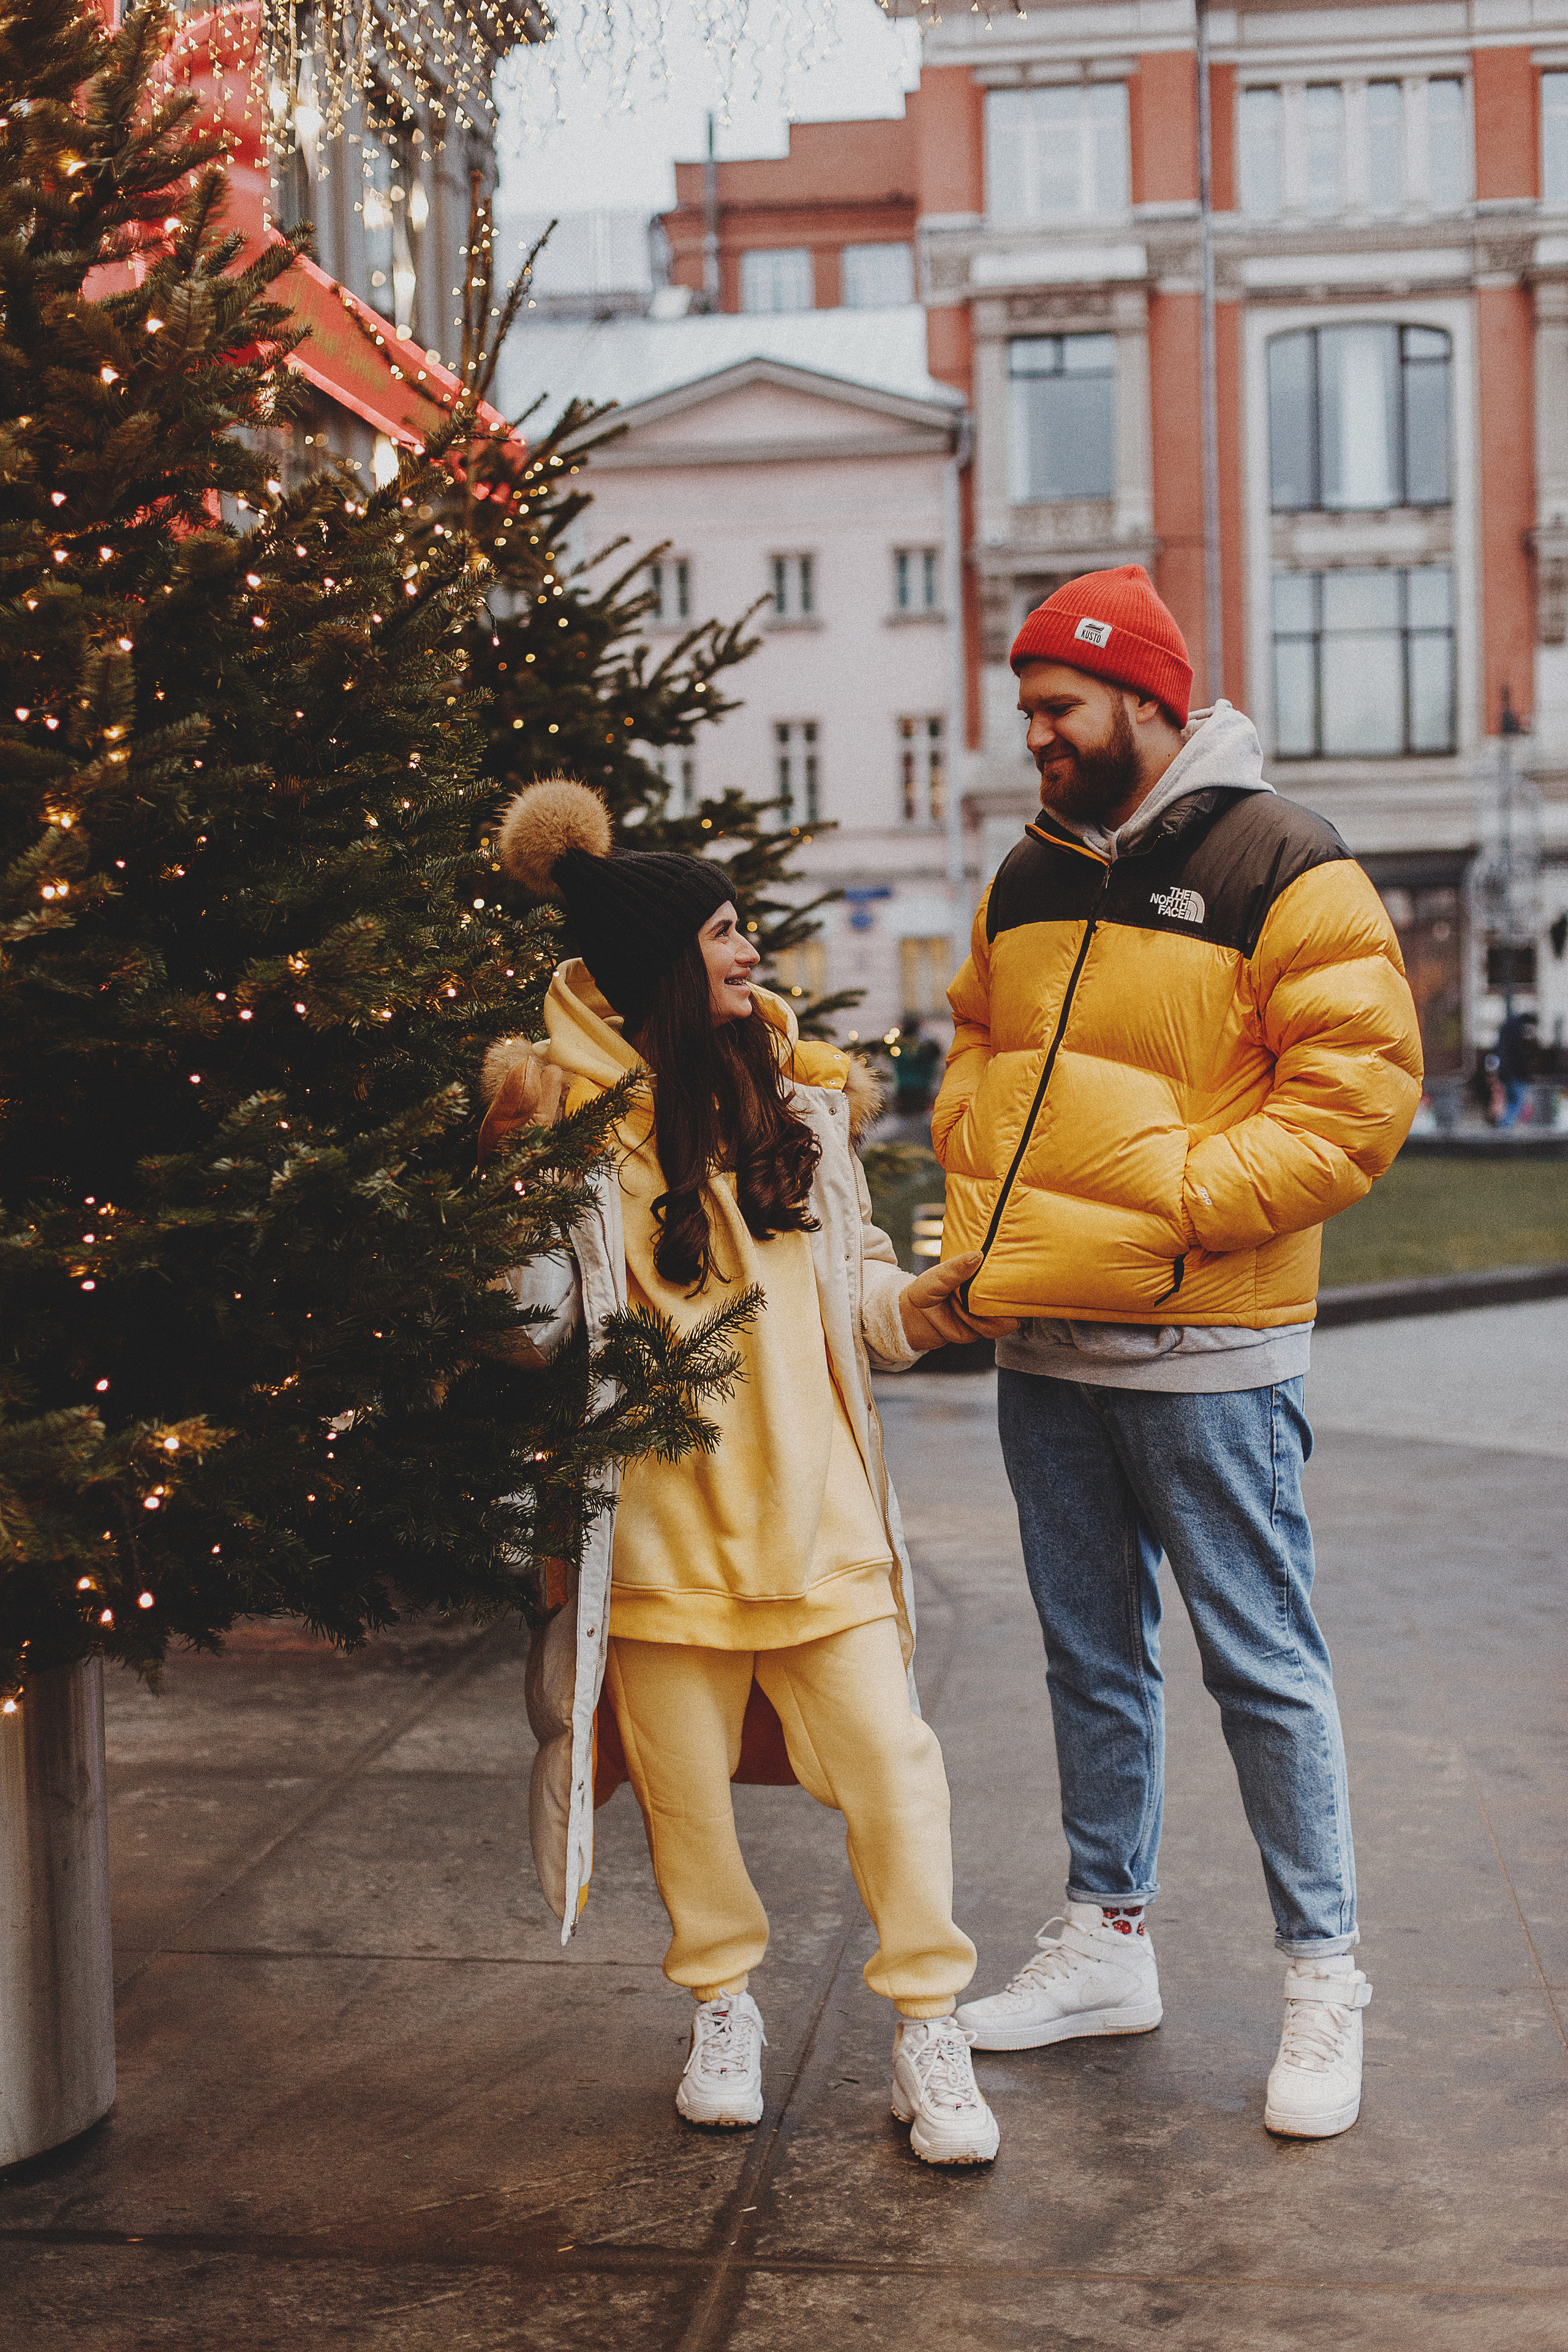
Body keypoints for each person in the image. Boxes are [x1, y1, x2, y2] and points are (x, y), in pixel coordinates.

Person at [932, 565, 1422, 2140]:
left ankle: (1322, 1974)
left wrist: (1180, 1211)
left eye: (1058, 707)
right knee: (1089, 1656)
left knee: (1260, 1667)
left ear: (1147, 699)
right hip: (1047, 1347)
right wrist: (983, 1153)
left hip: (1210, 1345)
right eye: (1025, 711)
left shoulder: (1282, 859)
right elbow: (973, 1044)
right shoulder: (1023, 869)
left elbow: (1355, 1092)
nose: (1035, 736)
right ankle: (1105, 1942)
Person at [479, 777, 1014, 2165]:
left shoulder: (806, 1117)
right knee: (683, 1796)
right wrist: (495, 1191)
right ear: (666, 959)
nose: (748, 948)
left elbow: (861, 1300)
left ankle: (927, 2024)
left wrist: (927, 1309)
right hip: (659, 1550)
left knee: (896, 1769)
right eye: (723, 929)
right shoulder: (574, 1143)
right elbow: (530, 1330)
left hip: (818, 1527)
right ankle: (723, 2004)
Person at [1494, 1008, 1538, 1129]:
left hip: (1507, 1073)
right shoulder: (1516, 1032)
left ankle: (1504, 1126)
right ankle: (1504, 1126)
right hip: (1516, 1074)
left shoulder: (1507, 1030)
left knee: (1513, 1101)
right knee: (1516, 1102)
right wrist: (1525, 1074)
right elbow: (1519, 1056)